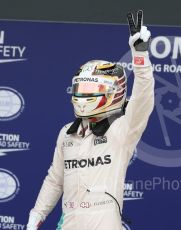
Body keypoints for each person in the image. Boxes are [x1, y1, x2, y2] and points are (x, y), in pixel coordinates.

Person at [26, 10, 154, 230]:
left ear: (113, 92)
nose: (84, 95)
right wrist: (37, 214)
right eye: (82, 88)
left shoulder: (122, 129)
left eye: (92, 89)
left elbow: (143, 99)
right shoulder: (67, 132)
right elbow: (55, 180)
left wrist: (140, 57)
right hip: (68, 223)